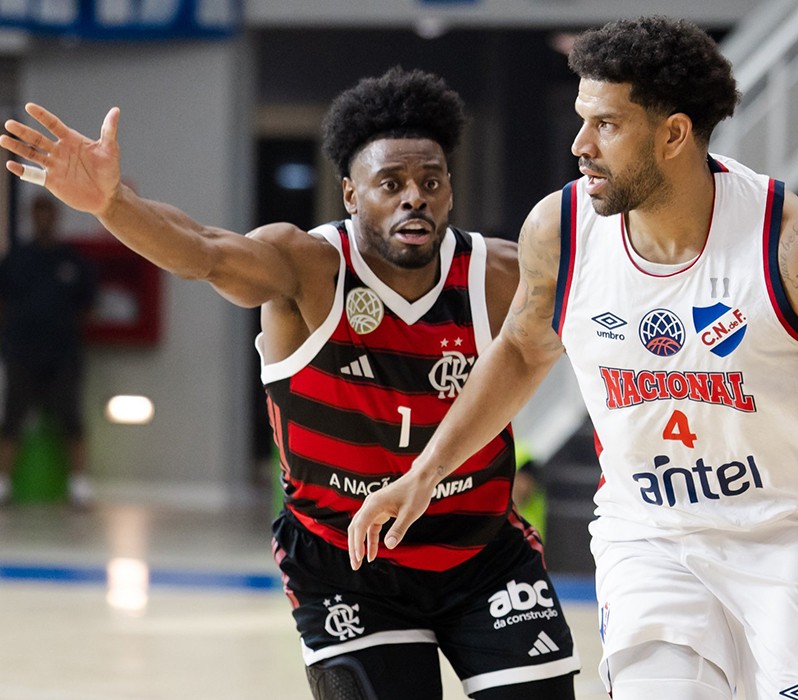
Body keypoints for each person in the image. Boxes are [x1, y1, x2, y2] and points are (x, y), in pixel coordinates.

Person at [346, 17, 798, 700]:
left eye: (606, 125)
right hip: (649, 541)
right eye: (583, 120)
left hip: (786, 543)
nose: (580, 145)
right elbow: (522, 351)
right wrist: (424, 474)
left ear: (673, 134)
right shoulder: (560, 231)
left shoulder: (795, 250)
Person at [1, 67, 579, 700]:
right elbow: (203, 250)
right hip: (345, 562)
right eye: (391, 183)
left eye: (431, 182)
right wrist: (113, 204)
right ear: (350, 194)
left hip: (482, 553)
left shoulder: (498, 274)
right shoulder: (306, 266)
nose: (414, 197)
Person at [0, 193, 96, 507]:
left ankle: (79, 486)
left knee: (71, 417)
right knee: (13, 416)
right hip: (22, 351)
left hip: (63, 353)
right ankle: (3, 484)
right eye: (38, 212)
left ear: (56, 216)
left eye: (48, 212)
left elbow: (88, 305)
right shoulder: (17, 259)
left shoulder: (72, 260)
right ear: (31, 216)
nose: (43, 218)